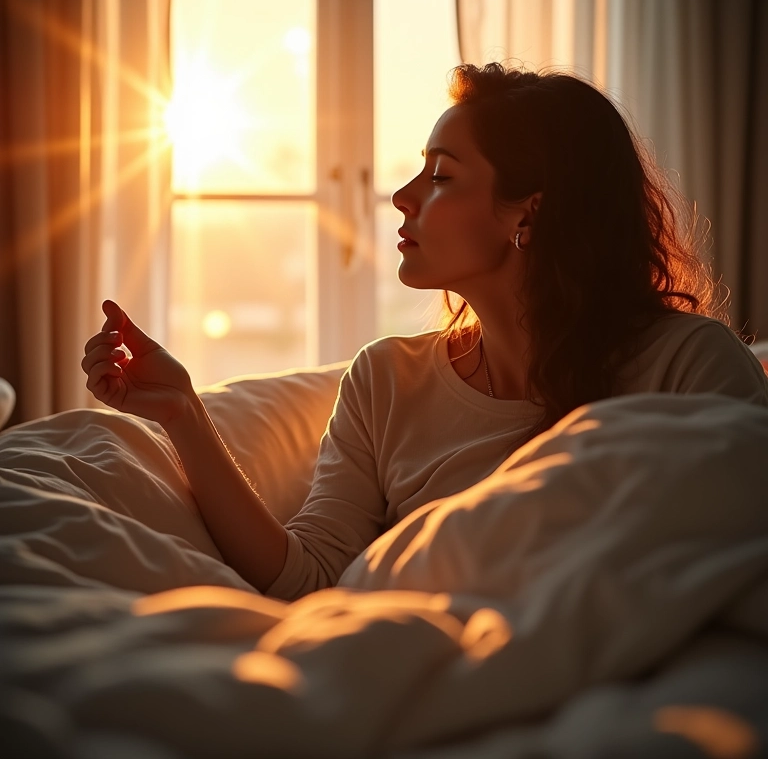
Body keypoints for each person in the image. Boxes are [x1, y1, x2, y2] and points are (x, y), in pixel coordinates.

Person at [82, 62, 768, 601]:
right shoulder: (383, 381)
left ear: (528, 213)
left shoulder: (690, 367)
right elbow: (310, 579)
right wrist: (181, 411)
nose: (402, 196)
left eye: (441, 175)